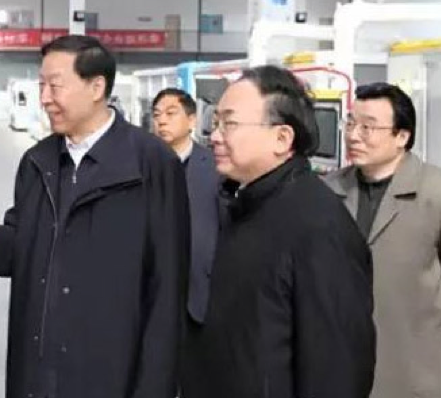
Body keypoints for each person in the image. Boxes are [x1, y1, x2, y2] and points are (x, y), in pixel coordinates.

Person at [0, 35, 190, 398]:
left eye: (55, 86)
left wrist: (153, 388)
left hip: (112, 372)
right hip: (40, 368)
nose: (44, 98)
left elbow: (167, 285)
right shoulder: (38, 162)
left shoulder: (151, 163)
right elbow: (28, 247)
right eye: (41, 85)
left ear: (96, 87)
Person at [181, 65, 375, 398]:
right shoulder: (242, 205)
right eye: (215, 122)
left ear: (282, 138)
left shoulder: (318, 226)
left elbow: (336, 370)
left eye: (230, 123)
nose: (215, 136)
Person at [325, 83, 441, 398]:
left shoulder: (433, 191)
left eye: (368, 127)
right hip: (340, 368)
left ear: (401, 136)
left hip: (413, 373)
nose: (353, 135)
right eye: (351, 123)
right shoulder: (328, 191)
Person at [151, 88, 220, 324]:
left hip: (200, 293)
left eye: (171, 113)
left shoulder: (215, 167)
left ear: (192, 120)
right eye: (157, 114)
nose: (162, 121)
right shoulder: (140, 166)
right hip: (153, 291)